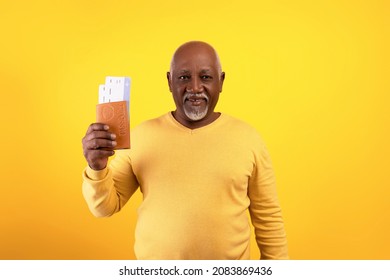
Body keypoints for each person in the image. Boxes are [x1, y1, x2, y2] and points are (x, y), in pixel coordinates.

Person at [82, 41, 288, 260]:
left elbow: (269, 220)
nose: (195, 88)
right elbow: (104, 208)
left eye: (206, 77)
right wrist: (97, 167)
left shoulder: (249, 139)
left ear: (221, 81)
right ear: (170, 81)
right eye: (184, 77)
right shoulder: (141, 137)